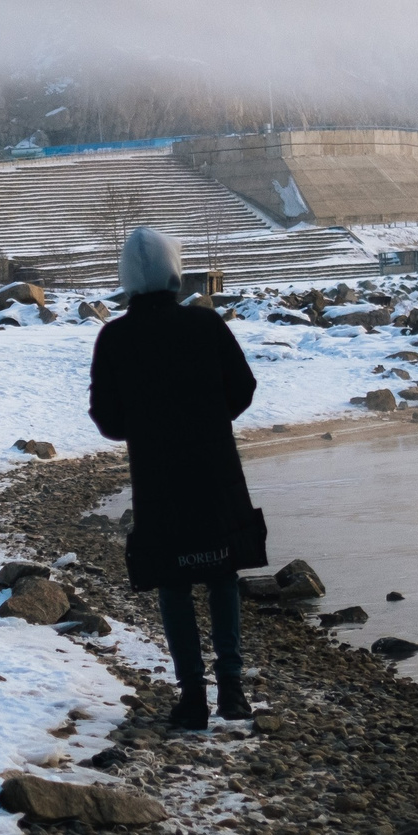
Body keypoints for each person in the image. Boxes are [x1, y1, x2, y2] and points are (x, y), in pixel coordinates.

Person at [87, 226, 266, 731]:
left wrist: (145, 429)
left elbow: (107, 419)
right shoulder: (206, 326)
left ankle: (192, 698)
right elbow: (244, 387)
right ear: (174, 270)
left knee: (174, 581)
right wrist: (210, 418)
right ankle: (232, 691)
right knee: (221, 572)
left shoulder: (115, 337)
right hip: (215, 471)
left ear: (126, 277)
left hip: (158, 479)